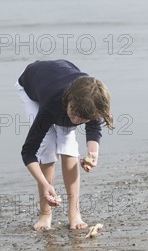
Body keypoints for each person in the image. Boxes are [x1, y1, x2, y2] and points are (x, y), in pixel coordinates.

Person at [15, 59, 113, 232]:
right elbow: (28, 151)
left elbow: (94, 127)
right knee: (47, 145)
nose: (75, 121)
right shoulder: (51, 104)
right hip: (31, 85)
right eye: (74, 114)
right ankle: (45, 214)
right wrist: (44, 183)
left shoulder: (92, 101)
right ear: (69, 101)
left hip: (63, 80)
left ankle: (74, 213)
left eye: (82, 119)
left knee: (68, 143)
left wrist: (92, 154)